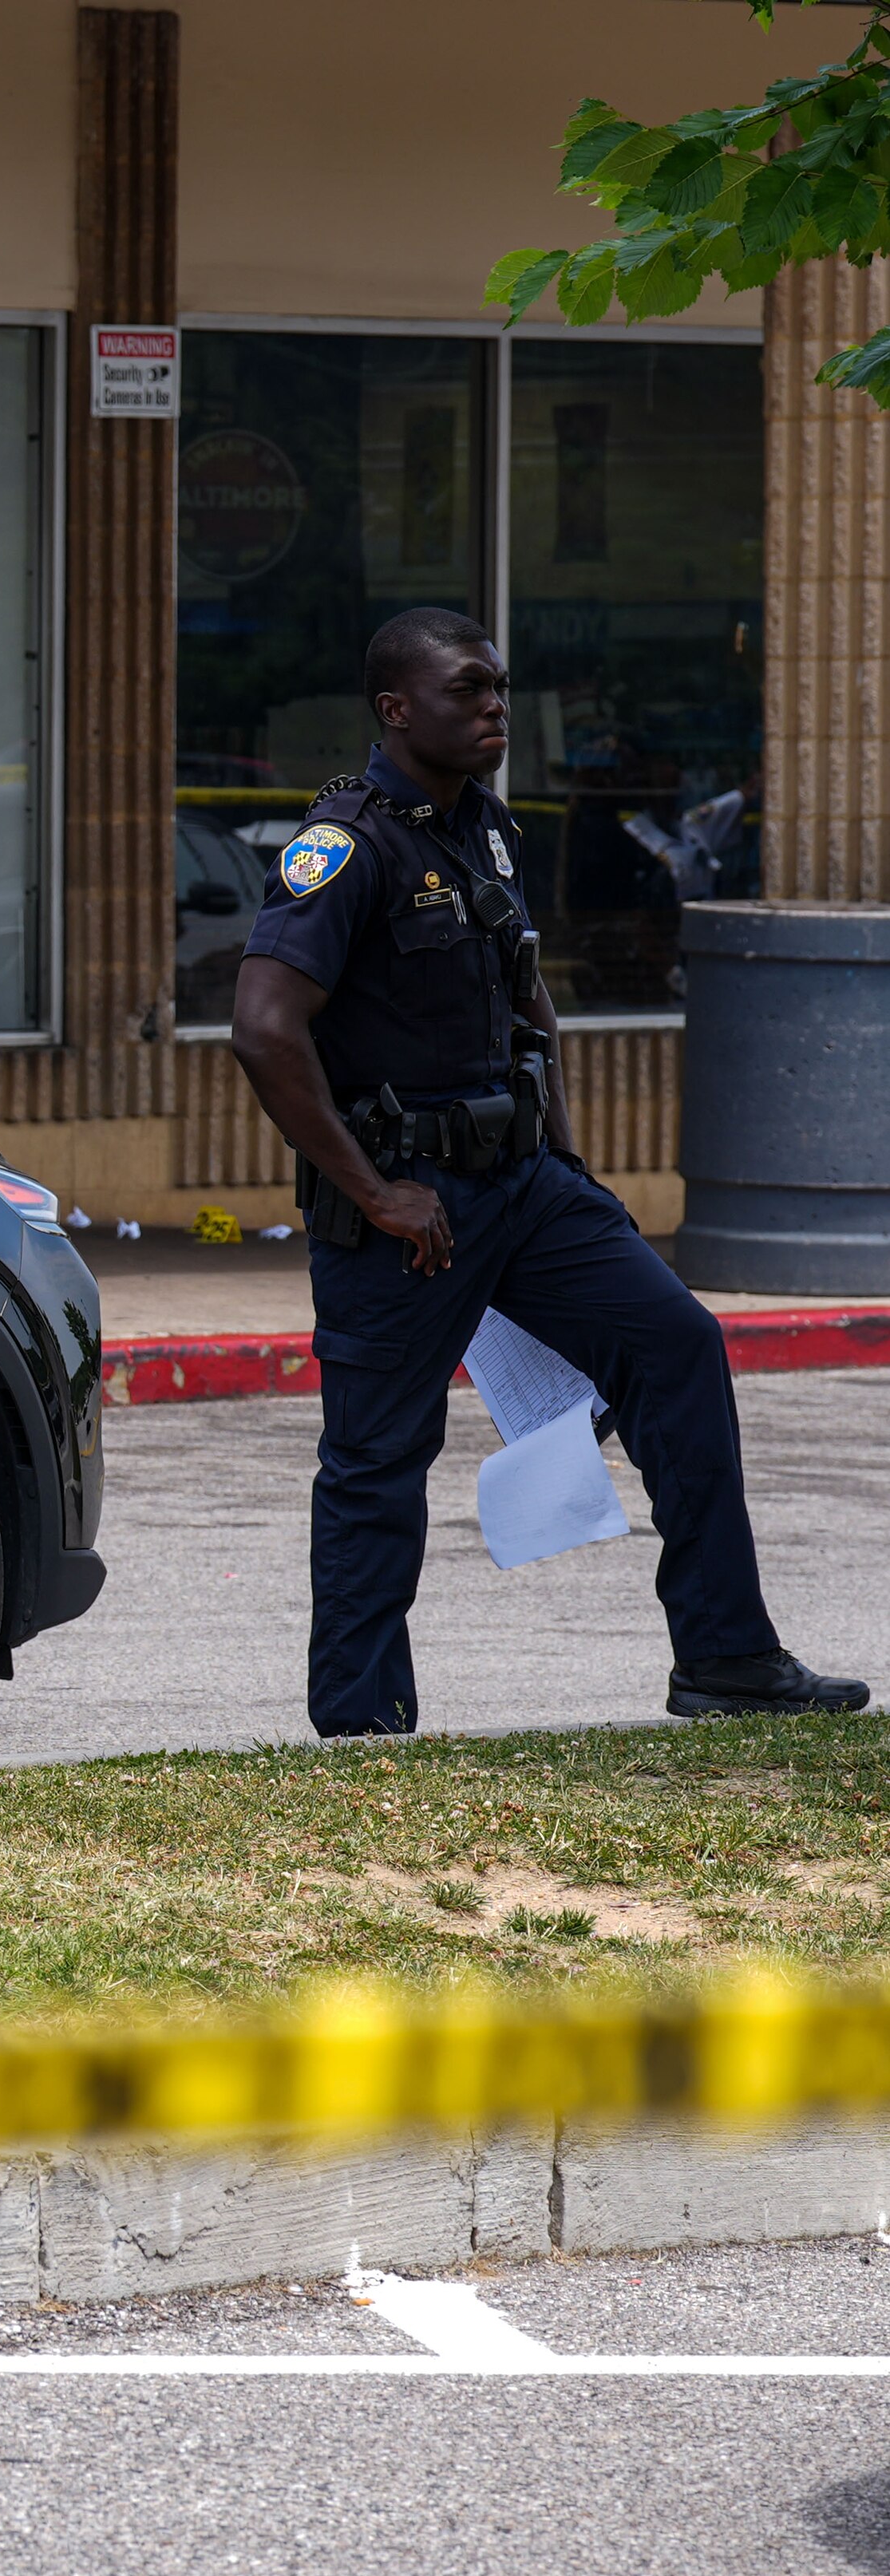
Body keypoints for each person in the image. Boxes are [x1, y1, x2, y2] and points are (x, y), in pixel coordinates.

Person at [226, 607, 866, 1737]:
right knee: (376, 1460)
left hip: (527, 1184)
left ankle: (726, 1657)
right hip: (406, 1206)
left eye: (500, 688)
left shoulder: (490, 827)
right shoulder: (347, 846)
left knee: (678, 1348)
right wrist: (375, 1192)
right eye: (468, 690)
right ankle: (361, 1726)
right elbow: (266, 1028)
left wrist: (568, 1162)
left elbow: (531, 998)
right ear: (395, 709)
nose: (494, 709)